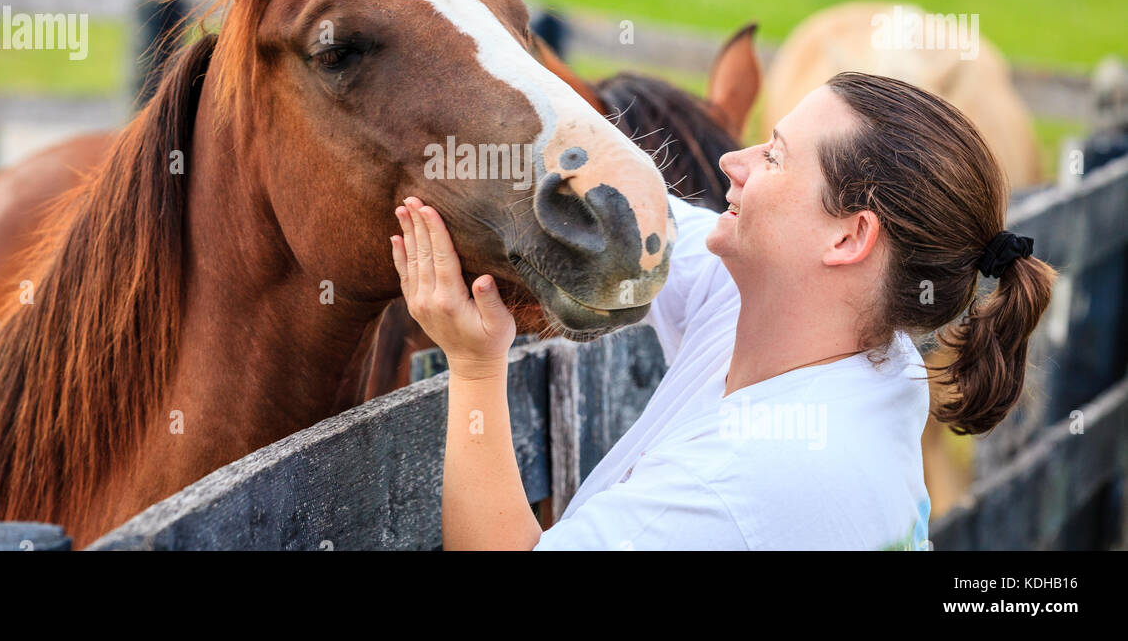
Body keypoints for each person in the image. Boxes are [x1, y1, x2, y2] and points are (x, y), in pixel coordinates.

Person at [389, 71, 1056, 550]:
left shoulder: (747, 484)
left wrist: (476, 368)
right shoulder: (862, 350)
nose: (731, 162)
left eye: (774, 156)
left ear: (848, 237)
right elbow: (637, 211)